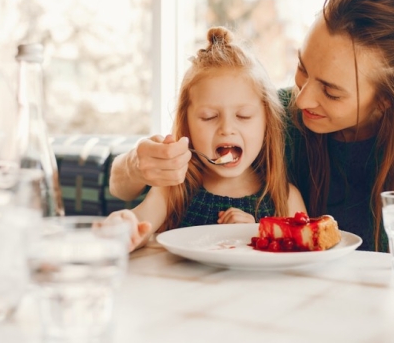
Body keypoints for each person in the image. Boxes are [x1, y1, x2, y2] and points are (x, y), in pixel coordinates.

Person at [109, 0, 394, 252]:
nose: (303, 98)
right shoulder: (275, 115)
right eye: (302, 68)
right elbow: (124, 187)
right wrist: (137, 164)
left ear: (386, 100)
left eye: (331, 91)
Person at [108, 26, 306, 251]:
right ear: (187, 125)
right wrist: (124, 226)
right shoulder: (173, 188)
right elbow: (140, 226)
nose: (227, 128)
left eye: (243, 116)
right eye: (209, 117)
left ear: (267, 124)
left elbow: (302, 253)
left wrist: (256, 235)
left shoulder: (285, 197)